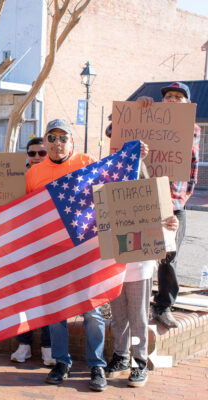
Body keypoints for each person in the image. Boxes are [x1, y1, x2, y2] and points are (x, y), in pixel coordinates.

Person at [27, 118, 107, 391]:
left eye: (63, 138)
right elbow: (17, 212)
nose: (57, 143)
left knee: (92, 312)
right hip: (52, 253)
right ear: (45, 141)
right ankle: (62, 362)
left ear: (72, 140)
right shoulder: (34, 173)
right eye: (52, 138)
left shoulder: (88, 162)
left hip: (86, 252)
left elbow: (114, 190)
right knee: (56, 313)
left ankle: (97, 366)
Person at [135, 82, 200, 329]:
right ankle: (137, 303)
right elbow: (113, 130)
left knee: (169, 256)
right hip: (144, 198)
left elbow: (192, 168)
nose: (172, 100)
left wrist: (181, 200)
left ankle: (162, 306)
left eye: (178, 97)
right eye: (169, 96)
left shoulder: (191, 129)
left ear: (187, 104)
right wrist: (141, 112)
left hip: (173, 201)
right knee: (137, 252)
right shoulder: (146, 118)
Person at [105, 216, 178, 388]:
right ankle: (121, 356)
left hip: (140, 263)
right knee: (119, 316)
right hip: (113, 262)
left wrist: (172, 224)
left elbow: (167, 217)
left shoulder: (149, 190)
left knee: (138, 318)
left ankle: (139, 361)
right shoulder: (107, 188)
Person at [10, 137, 55, 366]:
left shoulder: (56, 174)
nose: (37, 157)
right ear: (26, 155)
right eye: (32, 153)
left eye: (42, 153)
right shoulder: (15, 178)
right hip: (22, 247)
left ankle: (48, 347)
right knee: (23, 297)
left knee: (48, 296)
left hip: (49, 246)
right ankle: (24, 344)